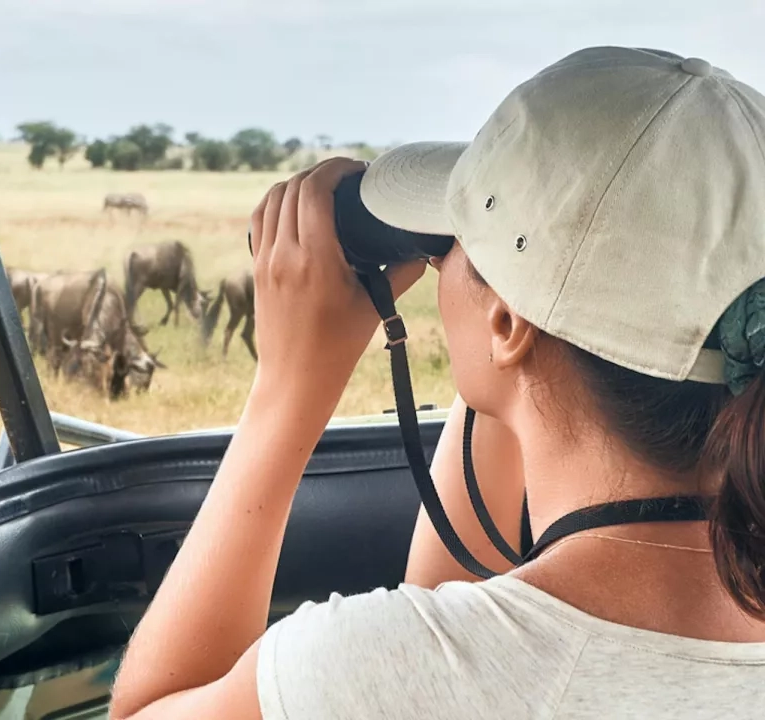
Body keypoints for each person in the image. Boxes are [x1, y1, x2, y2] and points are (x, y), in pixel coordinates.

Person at [106, 45, 765, 719]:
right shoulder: (437, 659)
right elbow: (454, 616)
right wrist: (516, 329)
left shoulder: (369, 669)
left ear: (510, 321)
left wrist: (288, 390)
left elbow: (143, 711)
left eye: (461, 246)